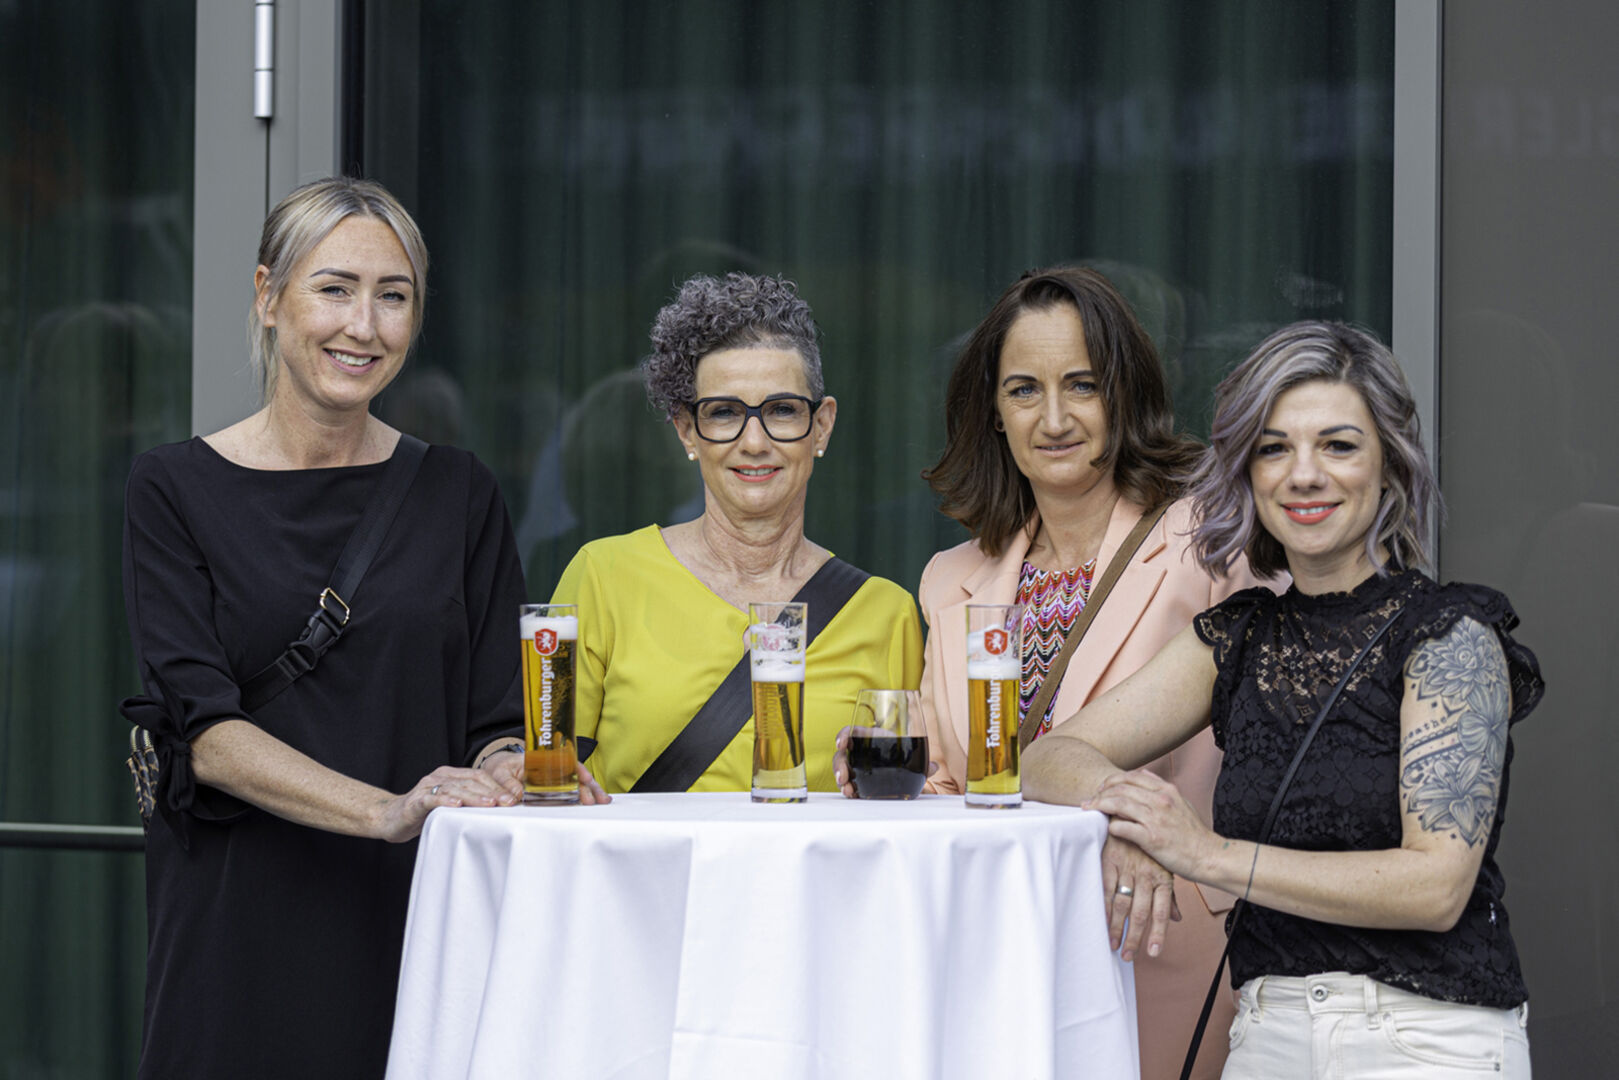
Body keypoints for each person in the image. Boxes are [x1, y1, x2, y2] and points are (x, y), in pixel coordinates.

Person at [121, 177, 606, 1080]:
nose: (365, 326)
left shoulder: (458, 491)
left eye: (394, 296)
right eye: (335, 288)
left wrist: (511, 766)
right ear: (268, 297)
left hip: (418, 914)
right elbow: (209, 735)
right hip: (240, 916)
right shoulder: (174, 489)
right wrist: (388, 810)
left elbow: (496, 714)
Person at [1024, 321, 1540, 1077]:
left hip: (1426, 1039)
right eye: (1273, 448)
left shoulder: (1448, 637)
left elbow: (1434, 886)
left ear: (1390, 468)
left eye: (1337, 445)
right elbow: (1047, 757)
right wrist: (1127, 812)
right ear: (1247, 474)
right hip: (1268, 1034)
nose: (1303, 474)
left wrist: (1203, 853)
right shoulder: (1233, 639)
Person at [837, 265, 1276, 1080]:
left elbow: (1282, 744)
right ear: (993, 414)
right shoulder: (951, 577)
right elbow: (954, 783)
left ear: (1124, 395)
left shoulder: (1212, 541)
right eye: (1022, 390)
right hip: (1003, 950)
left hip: (1166, 936)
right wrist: (877, 773)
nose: (1053, 417)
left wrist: (1139, 822)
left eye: (1081, 384)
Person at [552, 272, 922, 793]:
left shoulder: (887, 613)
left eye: (782, 411)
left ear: (822, 427)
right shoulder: (604, 576)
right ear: (686, 430)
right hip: (651, 875)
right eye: (724, 413)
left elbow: (902, 813)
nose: (754, 442)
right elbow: (548, 781)